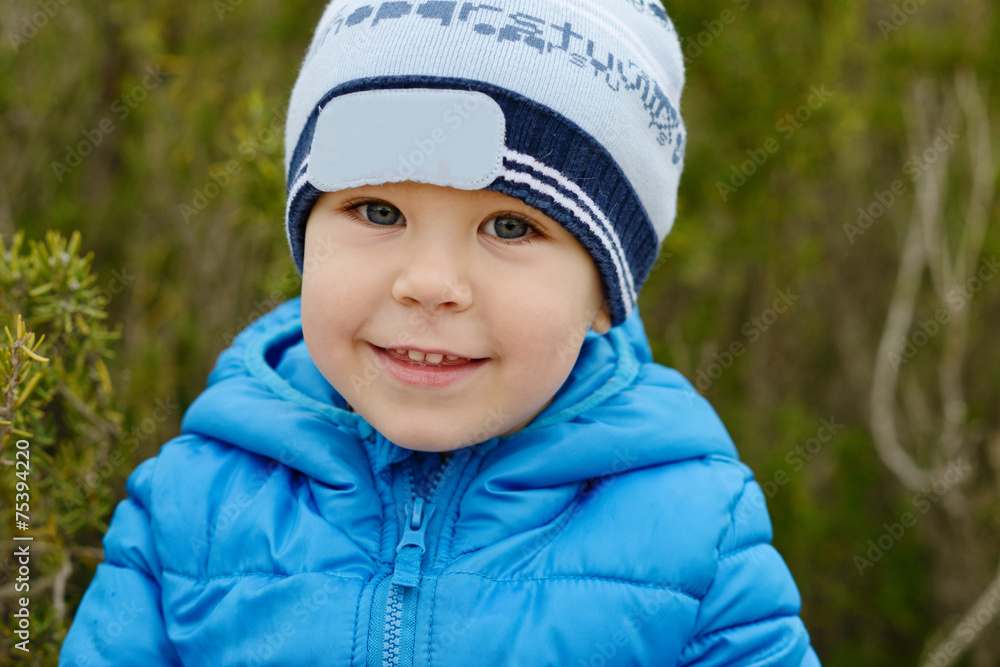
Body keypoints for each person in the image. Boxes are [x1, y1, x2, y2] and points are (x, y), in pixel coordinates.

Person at [61, 1, 821, 664]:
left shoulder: (696, 536)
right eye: (378, 211)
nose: (428, 282)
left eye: (510, 225)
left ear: (604, 296)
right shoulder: (192, 503)